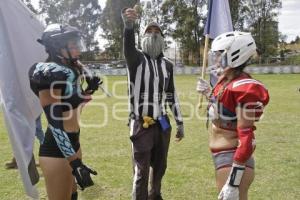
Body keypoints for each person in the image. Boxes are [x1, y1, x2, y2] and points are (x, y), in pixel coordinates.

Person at [28, 24, 101, 200]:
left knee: (72, 194)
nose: (78, 49)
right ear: (57, 47)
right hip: (57, 150)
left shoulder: (70, 70)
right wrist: (75, 162)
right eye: (73, 45)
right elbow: (55, 123)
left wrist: (88, 91)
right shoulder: (49, 72)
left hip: (73, 143)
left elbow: (72, 107)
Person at [197, 31, 269, 200]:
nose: (216, 59)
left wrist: (233, 183)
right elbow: (224, 109)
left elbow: (247, 138)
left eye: (220, 54)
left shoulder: (244, 88)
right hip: (224, 155)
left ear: (235, 54)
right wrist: (209, 93)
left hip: (232, 158)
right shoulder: (227, 81)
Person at [122, 7, 185, 200]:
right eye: (149, 31)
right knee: (141, 170)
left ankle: (155, 195)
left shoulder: (167, 65)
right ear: (143, 36)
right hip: (141, 123)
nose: (154, 34)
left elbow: (171, 94)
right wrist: (129, 25)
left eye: (157, 32)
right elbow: (128, 46)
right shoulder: (136, 59)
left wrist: (180, 122)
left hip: (162, 123)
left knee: (160, 165)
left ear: (163, 38)